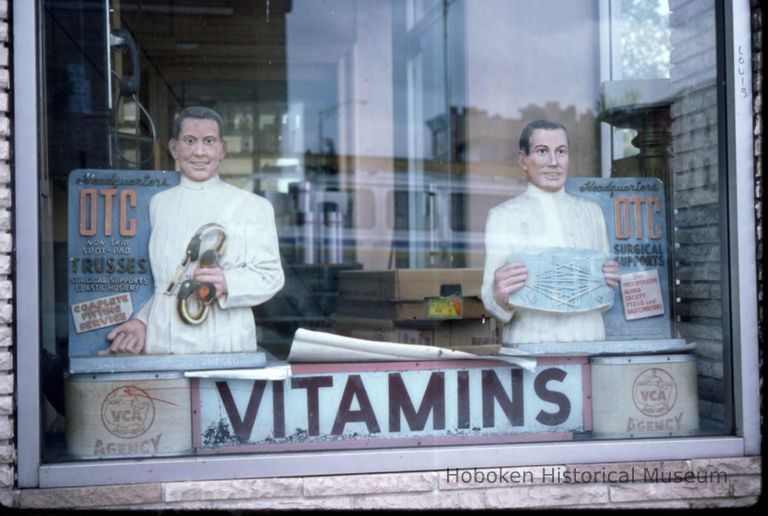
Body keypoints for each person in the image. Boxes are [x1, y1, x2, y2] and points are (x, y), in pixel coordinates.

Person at [105, 106, 285, 354]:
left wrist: (228, 282)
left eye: (209, 142)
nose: (199, 151)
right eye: (190, 141)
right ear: (174, 148)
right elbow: (168, 282)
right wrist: (143, 321)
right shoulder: (158, 204)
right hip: (164, 338)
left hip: (224, 338)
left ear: (222, 149)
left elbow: (271, 276)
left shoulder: (253, 207)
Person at [481, 119, 620, 344]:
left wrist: (608, 280)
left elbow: (605, 296)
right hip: (532, 342)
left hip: (589, 340)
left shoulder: (592, 213)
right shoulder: (503, 216)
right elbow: (491, 299)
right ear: (523, 160)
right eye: (542, 151)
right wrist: (499, 293)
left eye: (561, 152)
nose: (554, 162)